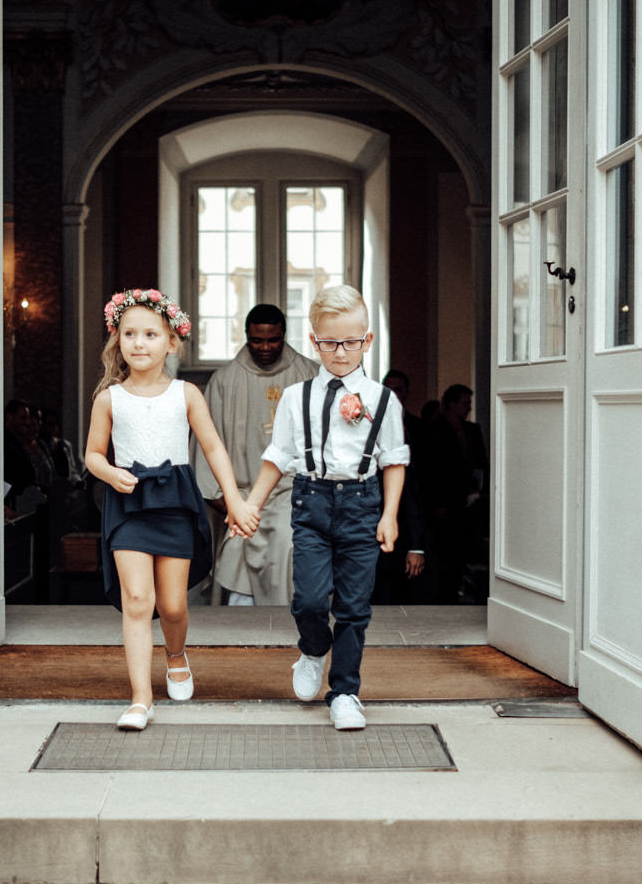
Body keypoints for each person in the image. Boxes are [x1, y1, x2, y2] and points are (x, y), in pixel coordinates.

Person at [83, 288, 257, 731]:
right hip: (128, 507)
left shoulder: (186, 394)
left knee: (174, 605)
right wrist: (109, 474)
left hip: (176, 503)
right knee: (138, 601)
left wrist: (234, 501)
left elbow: (213, 447)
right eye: (129, 334)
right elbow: (93, 456)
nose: (139, 343)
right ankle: (140, 699)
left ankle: (176, 654)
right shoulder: (109, 398)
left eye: (150, 334)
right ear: (116, 340)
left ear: (171, 342)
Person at [245, 285, 409, 730]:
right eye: (331, 342)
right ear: (314, 340)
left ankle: (345, 693)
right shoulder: (295, 398)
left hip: (362, 504)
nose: (341, 352)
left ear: (367, 340)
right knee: (311, 599)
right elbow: (277, 458)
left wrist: (389, 515)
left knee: (355, 607)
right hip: (312, 502)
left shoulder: (382, 401)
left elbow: (394, 461)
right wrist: (251, 506)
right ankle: (314, 647)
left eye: (351, 341)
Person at [193, 304, 319, 606]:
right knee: (237, 576)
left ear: (284, 336)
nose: (265, 347)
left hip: (294, 498)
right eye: (257, 340)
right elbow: (206, 450)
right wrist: (233, 507)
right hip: (241, 500)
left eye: (272, 340)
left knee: (290, 555)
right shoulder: (225, 380)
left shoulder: (310, 376)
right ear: (247, 336)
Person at [424, 383, 487, 603]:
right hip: (444, 503)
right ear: (451, 405)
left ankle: (459, 592)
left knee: (464, 551)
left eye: (469, 404)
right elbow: (431, 471)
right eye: (464, 403)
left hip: (468, 502)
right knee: (444, 554)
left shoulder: (472, 430)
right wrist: (437, 505)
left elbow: (481, 462)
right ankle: (443, 597)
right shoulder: (434, 430)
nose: (468, 408)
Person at [373, 369, 429, 603]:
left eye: (398, 389)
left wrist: (417, 546)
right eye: (389, 388)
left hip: (402, 522)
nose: (393, 394)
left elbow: (415, 491)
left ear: (406, 393)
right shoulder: (370, 422)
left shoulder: (418, 429)